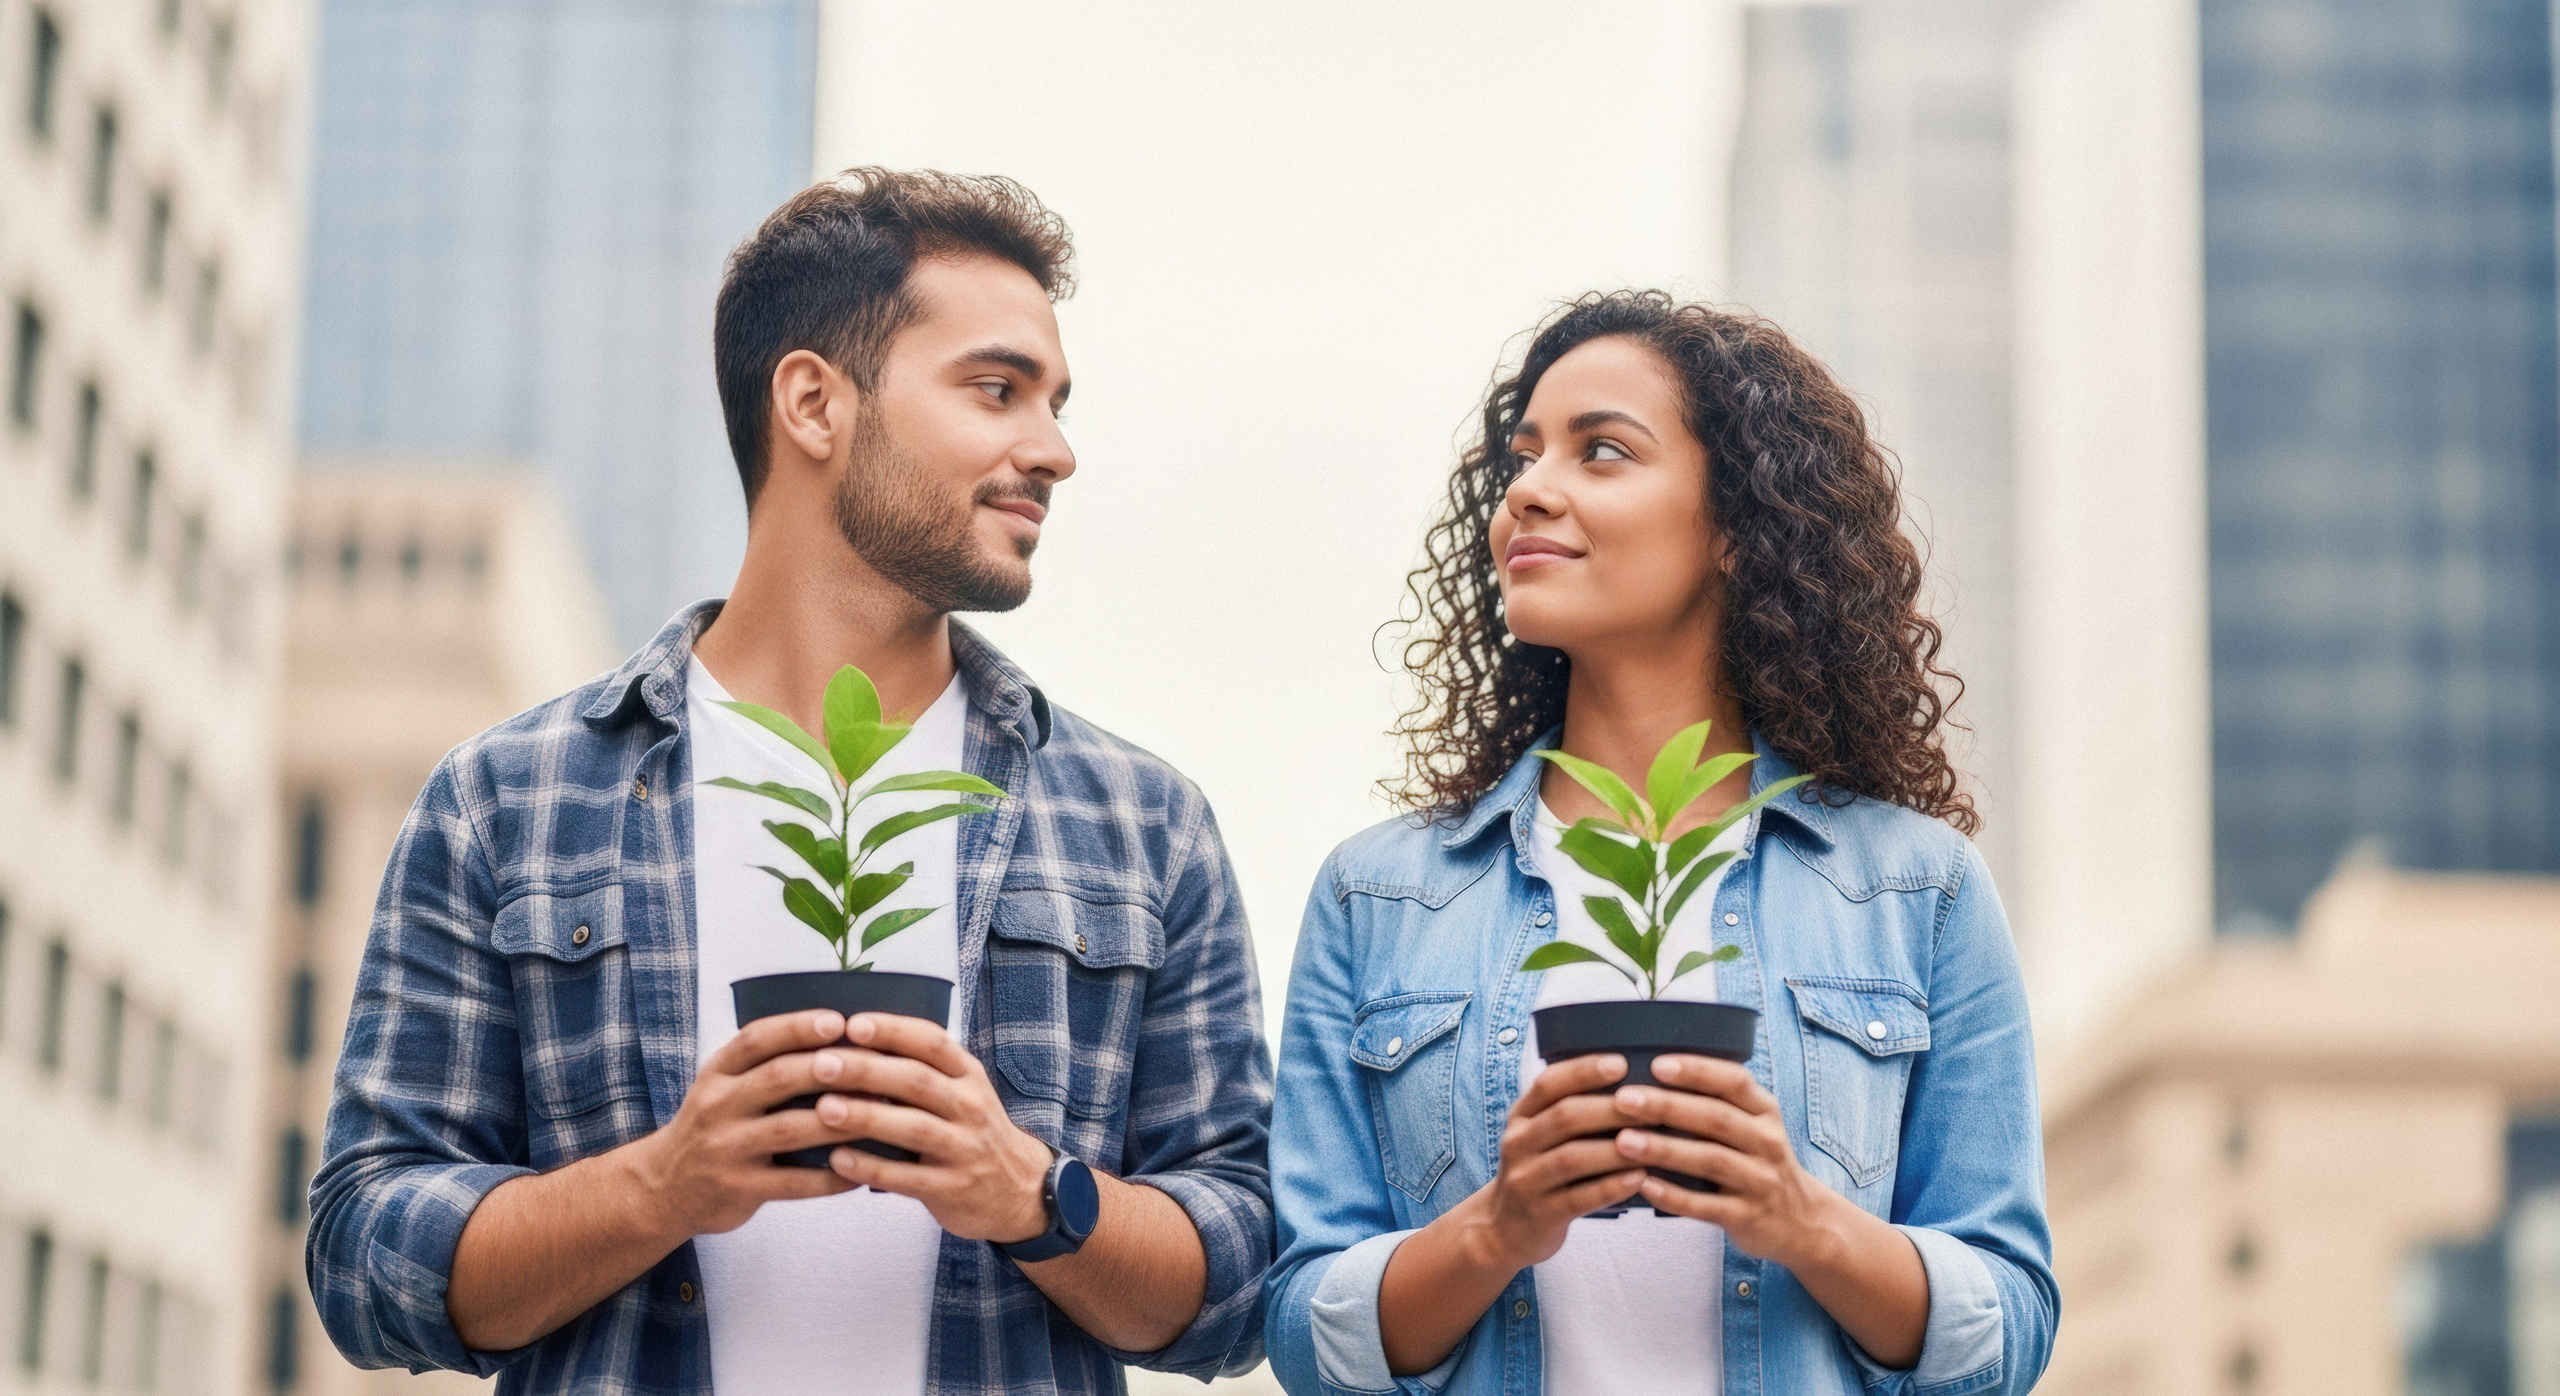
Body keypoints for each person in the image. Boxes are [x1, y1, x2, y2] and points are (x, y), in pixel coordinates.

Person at [307, 168, 1272, 1396]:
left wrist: (1030, 1191)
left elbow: (1241, 1278)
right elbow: (362, 1258)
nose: (1055, 450)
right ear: (814, 403)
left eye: (1057, 401)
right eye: (996, 389)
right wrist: (664, 1184)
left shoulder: (1142, 827)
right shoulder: (509, 799)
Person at [1263, 292, 2056, 1395]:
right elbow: (1303, 1332)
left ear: (1736, 525)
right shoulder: (1378, 894)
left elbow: (2006, 1331)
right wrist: (1498, 1225)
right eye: (1523, 456)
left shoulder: (1916, 888)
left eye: (1602, 452)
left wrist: (1805, 1220)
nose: (1529, 490)